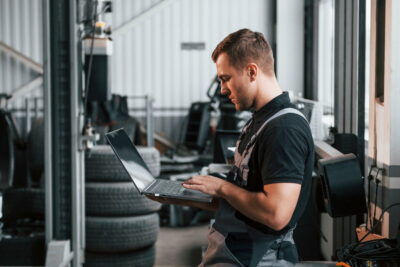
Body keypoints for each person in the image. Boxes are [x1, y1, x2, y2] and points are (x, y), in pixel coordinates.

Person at [149, 28, 314, 266]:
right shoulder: (259, 121)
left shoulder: (284, 128)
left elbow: (276, 214)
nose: (222, 89)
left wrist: (223, 188)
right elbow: (241, 198)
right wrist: (179, 197)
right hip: (236, 250)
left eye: (226, 78)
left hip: (260, 258)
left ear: (251, 71)